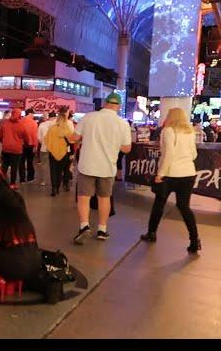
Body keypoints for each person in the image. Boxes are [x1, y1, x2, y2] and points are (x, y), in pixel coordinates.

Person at [69, 92, 131, 244]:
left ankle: (84, 226)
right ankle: (102, 230)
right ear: (119, 106)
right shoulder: (122, 124)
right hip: (107, 167)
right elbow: (126, 149)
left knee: (84, 197)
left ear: (105, 103)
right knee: (104, 198)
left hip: (87, 166)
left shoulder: (89, 117)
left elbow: (74, 138)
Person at [140, 108, 201, 254]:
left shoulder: (168, 131)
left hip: (170, 174)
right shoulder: (190, 132)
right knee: (184, 207)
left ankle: (152, 233)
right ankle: (194, 240)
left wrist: (160, 174)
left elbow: (168, 154)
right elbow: (194, 154)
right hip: (188, 174)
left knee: (159, 204)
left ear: (170, 117)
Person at [44, 110, 74, 196]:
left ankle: (54, 188)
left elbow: (46, 139)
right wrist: (72, 153)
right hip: (64, 153)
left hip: (52, 152)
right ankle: (58, 187)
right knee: (60, 171)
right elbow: (71, 141)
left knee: (53, 170)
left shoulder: (52, 128)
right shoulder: (67, 129)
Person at [0, 108, 29, 189]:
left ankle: (1, 182)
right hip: (16, 150)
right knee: (14, 167)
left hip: (6, 148)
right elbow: (26, 138)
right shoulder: (21, 125)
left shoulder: (4, 123)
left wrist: (4, 141)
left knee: (4, 166)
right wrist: (25, 144)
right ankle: (12, 184)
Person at [37, 111, 56, 186]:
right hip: (55, 149)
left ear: (48, 117)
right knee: (54, 165)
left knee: (44, 165)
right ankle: (53, 181)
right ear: (55, 117)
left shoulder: (42, 124)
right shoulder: (57, 125)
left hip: (44, 148)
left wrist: (43, 143)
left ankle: (44, 181)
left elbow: (38, 137)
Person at [19, 108, 38, 183]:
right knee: (30, 162)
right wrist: (35, 146)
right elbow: (34, 135)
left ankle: (22, 178)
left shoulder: (20, 121)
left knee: (21, 162)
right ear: (30, 113)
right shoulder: (34, 123)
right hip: (31, 144)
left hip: (21, 144)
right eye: (33, 114)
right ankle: (30, 177)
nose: (33, 115)